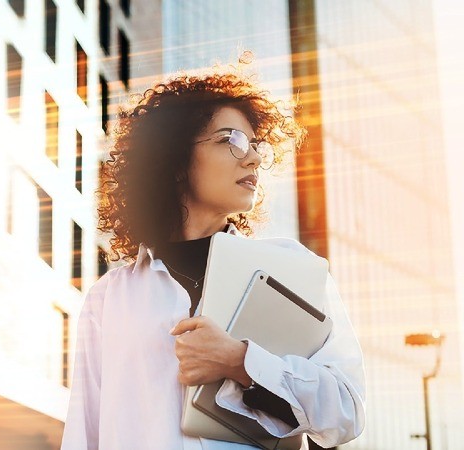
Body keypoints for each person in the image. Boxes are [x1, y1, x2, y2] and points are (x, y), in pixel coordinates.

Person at [60, 68, 366, 450]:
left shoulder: (290, 266)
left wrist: (241, 362)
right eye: (232, 140)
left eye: (256, 145)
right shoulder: (108, 299)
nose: (253, 158)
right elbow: (84, 436)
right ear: (173, 159)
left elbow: (347, 411)